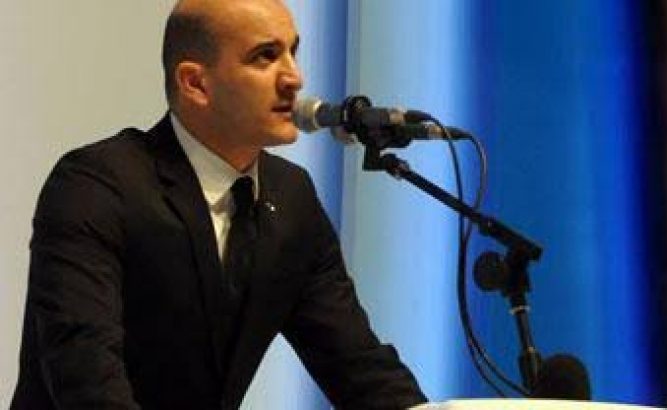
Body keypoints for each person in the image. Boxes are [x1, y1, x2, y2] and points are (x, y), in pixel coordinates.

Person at [10, 0, 427, 408]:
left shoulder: (290, 196)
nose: (294, 78)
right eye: (265, 57)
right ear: (195, 83)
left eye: (293, 52)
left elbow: (358, 367)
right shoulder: (97, 185)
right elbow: (86, 375)